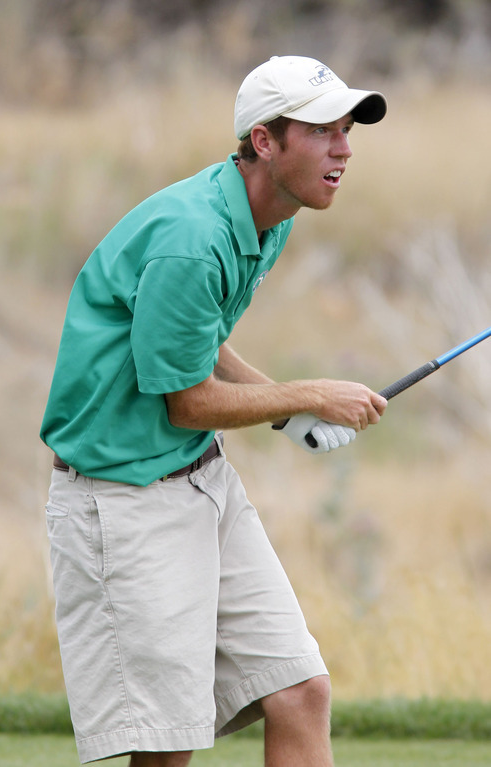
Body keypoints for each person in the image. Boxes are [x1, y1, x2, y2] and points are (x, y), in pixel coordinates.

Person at [41, 55, 388, 766]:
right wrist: (310, 394)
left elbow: (202, 342)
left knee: (299, 690)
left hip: (200, 481)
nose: (344, 149)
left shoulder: (272, 215)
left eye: (346, 130)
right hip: (122, 497)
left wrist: (284, 414)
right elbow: (188, 399)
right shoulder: (192, 239)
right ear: (265, 141)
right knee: (169, 744)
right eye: (324, 131)